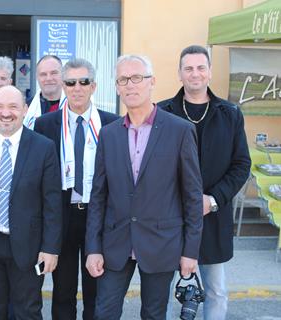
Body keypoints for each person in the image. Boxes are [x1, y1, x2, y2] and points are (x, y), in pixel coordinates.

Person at [85, 54, 203, 320]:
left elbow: (192, 196)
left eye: (137, 78)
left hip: (162, 242)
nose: (130, 85)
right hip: (116, 243)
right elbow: (98, 196)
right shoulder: (109, 134)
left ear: (152, 82)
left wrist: (190, 252)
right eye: (123, 79)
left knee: (153, 314)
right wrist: (93, 247)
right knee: (103, 312)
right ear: (116, 87)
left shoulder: (180, 131)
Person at [159, 45, 251, 320]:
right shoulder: (162, 113)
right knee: (160, 292)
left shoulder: (229, 114)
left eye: (200, 67)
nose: (195, 73)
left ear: (210, 72)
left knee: (216, 291)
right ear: (179, 74)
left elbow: (241, 165)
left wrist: (212, 200)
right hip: (169, 218)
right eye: (188, 68)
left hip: (212, 216)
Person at [0, 85, 62, 319]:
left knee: (28, 311)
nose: (6, 113)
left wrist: (50, 248)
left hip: (29, 246)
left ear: (25, 110)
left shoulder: (44, 147)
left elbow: (52, 204)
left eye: (13, 106)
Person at [34, 58, 118, 319]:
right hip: (63, 217)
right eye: (70, 82)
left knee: (97, 292)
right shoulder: (45, 125)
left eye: (83, 82)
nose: (77, 88)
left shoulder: (113, 124)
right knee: (63, 292)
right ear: (63, 85)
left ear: (93, 86)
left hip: (99, 217)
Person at [24, 55, 67, 129]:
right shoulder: (26, 106)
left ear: (63, 75)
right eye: (43, 74)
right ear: (37, 77)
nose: (49, 78)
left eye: (54, 73)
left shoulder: (75, 105)